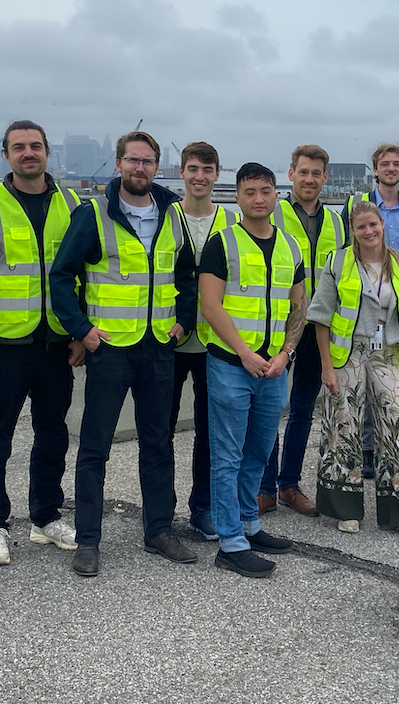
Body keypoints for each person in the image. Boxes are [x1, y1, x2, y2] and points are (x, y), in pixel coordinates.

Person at [49, 131, 198, 577]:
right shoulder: (93, 213)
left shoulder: (173, 214)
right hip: (110, 348)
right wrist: (82, 330)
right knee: (95, 447)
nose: (140, 168)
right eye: (133, 160)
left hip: (158, 348)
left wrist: (185, 320)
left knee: (158, 443)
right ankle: (89, 541)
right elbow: (61, 277)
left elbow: (188, 274)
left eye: (148, 161)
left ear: (157, 167)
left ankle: (158, 531)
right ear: (118, 164)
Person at [0, 120, 84, 566]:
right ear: (7, 155)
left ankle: (45, 516)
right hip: (5, 345)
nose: (28, 153)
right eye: (19, 147)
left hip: (56, 343)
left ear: (48, 153)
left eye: (35, 146)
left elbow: (83, 275)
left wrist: (79, 333)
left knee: (53, 433)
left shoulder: (72, 203)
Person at [309, 201, 399, 541]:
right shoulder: (339, 261)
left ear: (381, 224)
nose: (369, 231)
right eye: (361, 227)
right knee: (343, 427)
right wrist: (327, 367)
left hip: (389, 354)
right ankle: (344, 509)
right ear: (353, 230)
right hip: (348, 353)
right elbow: (321, 317)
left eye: (373, 224)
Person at [199, 163, 305, 577]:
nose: (259, 199)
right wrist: (244, 353)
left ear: (276, 194)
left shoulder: (290, 247)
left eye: (266, 191)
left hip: (274, 368)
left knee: (259, 453)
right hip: (231, 365)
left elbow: (298, 306)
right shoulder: (221, 244)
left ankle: (249, 522)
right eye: (250, 192)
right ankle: (230, 542)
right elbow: (210, 306)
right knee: (227, 455)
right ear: (238, 197)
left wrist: (286, 353)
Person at [258, 144, 345, 518]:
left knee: (303, 408)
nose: (309, 179)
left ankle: (288, 485)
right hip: (278, 324)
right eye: (303, 172)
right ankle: (262, 487)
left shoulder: (338, 222)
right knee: (268, 407)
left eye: (316, 173)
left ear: (325, 178)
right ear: (291, 174)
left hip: (319, 327)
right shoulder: (271, 211)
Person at [342, 142, 399, 481]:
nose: (390, 168)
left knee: (392, 381)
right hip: (363, 297)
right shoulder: (355, 205)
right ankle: (366, 452)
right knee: (361, 377)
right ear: (375, 169)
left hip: (397, 297)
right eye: (384, 164)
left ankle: (390, 449)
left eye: (396, 164)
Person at [169, 141, 240, 541]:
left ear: (217, 174)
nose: (199, 176)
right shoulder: (165, 217)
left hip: (215, 345)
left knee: (210, 432)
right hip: (171, 341)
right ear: (181, 172)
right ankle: (161, 511)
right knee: (160, 430)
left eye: (207, 170)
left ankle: (203, 508)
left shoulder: (230, 222)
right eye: (192, 168)